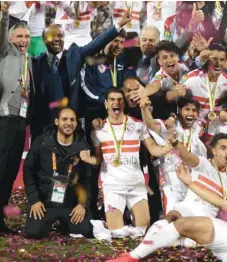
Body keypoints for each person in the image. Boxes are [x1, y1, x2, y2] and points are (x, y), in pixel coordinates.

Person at [82, 88, 172, 237]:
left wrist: (167, 147)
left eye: (119, 100)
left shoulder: (138, 125)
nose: (116, 103)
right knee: (116, 232)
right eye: (112, 99)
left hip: (136, 186)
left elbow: (153, 148)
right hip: (113, 187)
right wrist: (89, 159)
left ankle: (128, 219)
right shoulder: (98, 130)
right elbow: (98, 158)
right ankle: (111, 222)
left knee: (143, 230)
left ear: (124, 104)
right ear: (106, 104)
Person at [31, 9, 133, 138]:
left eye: (60, 36)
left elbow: (96, 44)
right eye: (52, 36)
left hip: (71, 123)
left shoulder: (74, 55)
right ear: (44, 40)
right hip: (44, 124)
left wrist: (118, 25)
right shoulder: (35, 62)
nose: (57, 39)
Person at [24, 107, 92, 239]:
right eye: (64, 119)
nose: (68, 123)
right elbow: (28, 171)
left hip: (70, 205)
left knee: (85, 231)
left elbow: (87, 180)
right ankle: (58, 221)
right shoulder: (41, 142)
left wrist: (82, 205)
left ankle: (65, 224)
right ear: (56, 121)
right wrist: (35, 200)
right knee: (34, 232)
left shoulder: (83, 148)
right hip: (45, 203)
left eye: (72, 120)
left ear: (76, 124)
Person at [0, 2, 34, 234]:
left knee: (11, 171)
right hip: (5, 119)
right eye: (19, 36)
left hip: (21, 122)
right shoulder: (4, 52)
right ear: (11, 39)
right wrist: (3, 15)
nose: (23, 40)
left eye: (27, 36)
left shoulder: (30, 60)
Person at [142, 96, 207, 214]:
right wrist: (144, 109)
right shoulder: (168, 126)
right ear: (180, 110)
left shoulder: (197, 130)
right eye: (187, 109)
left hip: (192, 184)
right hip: (171, 183)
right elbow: (150, 124)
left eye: (194, 110)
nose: (191, 113)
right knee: (171, 219)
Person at [181, 43, 227, 127]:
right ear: (207, 60)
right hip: (191, 125)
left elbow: (224, 104)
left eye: (222, 60)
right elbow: (177, 100)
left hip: (212, 124)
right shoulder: (190, 78)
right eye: (214, 59)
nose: (218, 63)